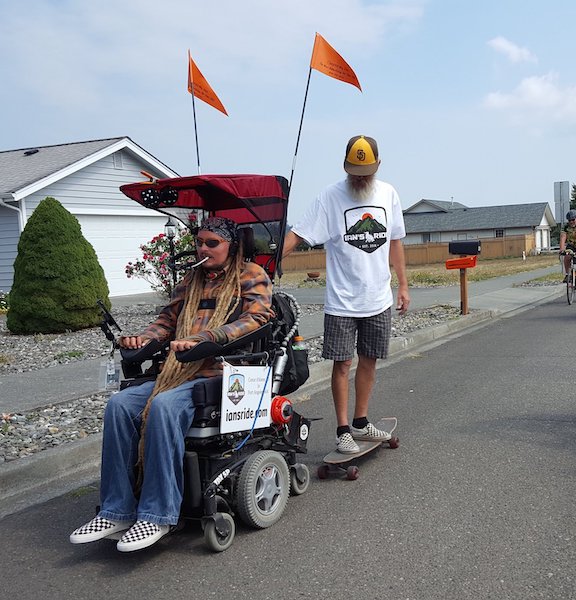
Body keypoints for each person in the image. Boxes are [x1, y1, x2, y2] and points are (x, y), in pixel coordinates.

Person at [70, 216, 274, 552]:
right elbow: (166, 321)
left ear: (231, 245)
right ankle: (117, 510)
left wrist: (206, 338)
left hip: (221, 372)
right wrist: (143, 340)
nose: (203, 248)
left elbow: (257, 319)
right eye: (200, 242)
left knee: (164, 406)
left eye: (212, 243)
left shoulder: (251, 275)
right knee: (119, 406)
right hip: (175, 371)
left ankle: (157, 515)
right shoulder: (191, 279)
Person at [282, 135, 410, 454]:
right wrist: (268, 263)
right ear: (345, 167)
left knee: (370, 361)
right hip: (341, 301)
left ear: (378, 165)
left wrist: (404, 285)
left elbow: (395, 241)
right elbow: (299, 232)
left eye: (365, 171)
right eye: (354, 171)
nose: (360, 177)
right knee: (342, 364)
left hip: (378, 297)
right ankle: (342, 429)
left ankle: (361, 421)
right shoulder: (330, 197)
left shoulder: (389, 193)